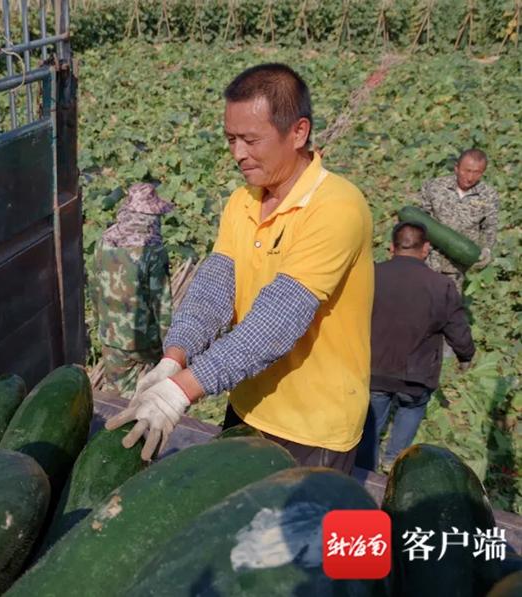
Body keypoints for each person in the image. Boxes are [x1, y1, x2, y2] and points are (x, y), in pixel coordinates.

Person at [106, 63, 374, 474]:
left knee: (285, 537)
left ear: (298, 132)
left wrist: (182, 392)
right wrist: (174, 359)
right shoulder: (244, 200)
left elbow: (278, 320)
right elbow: (214, 291)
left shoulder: (337, 207)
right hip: (248, 406)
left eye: (251, 140)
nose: (237, 154)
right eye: (231, 139)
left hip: (311, 427)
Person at [356, 222, 475, 473]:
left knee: (371, 423)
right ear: (426, 249)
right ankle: (394, 460)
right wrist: (466, 355)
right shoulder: (441, 285)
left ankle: (365, 470)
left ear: (391, 247)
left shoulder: (371, 275)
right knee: (411, 409)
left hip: (375, 368)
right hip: (417, 373)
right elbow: (457, 328)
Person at [92, 183, 173, 399]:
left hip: (110, 333)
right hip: (143, 339)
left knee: (115, 396)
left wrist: (98, 323)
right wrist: (170, 349)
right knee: (151, 395)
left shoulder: (104, 241)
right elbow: (162, 305)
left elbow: (95, 287)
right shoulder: (153, 251)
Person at [420, 148, 500, 293]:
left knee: (449, 307)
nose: (470, 177)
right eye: (466, 170)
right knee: (422, 304)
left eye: (477, 173)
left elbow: (489, 227)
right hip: (428, 259)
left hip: (457, 266)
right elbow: (420, 219)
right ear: (456, 168)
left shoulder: (488, 195)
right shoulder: (434, 187)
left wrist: (487, 249)